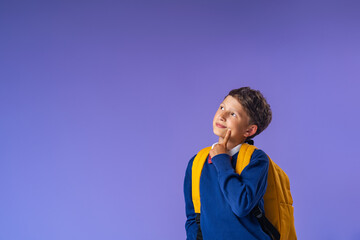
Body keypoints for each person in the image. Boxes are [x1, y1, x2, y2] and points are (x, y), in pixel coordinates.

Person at [183, 87, 273, 240]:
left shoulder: (257, 159)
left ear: (249, 131)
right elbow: (193, 217)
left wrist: (222, 160)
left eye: (233, 114)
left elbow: (241, 206)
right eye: (222, 107)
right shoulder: (197, 162)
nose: (222, 116)